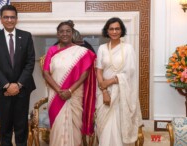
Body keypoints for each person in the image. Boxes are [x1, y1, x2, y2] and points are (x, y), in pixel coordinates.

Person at [0, 5, 36, 146]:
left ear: (17, 19)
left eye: (12, 17)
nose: (9, 20)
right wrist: (7, 85)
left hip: (23, 88)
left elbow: (30, 62)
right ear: (1, 19)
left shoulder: (26, 36)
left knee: (21, 126)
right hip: (2, 89)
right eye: (6, 17)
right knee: (5, 126)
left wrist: (18, 85)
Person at [42, 20, 96, 146]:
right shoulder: (52, 50)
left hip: (75, 94)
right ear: (57, 34)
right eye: (61, 31)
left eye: (68, 31)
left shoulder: (82, 52)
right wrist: (59, 91)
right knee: (57, 127)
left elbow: (85, 73)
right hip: (56, 95)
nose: (64, 34)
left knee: (75, 127)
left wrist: (70, 91)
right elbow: (45, 73)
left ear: (72, 33)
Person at [95, 17, 142, 146]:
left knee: (119, 126)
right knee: (104, 127)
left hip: (122, 93)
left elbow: (130, 72)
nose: (114, 31)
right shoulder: (102, 48)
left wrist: (110, 81)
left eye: (117, 28)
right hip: (103, 91)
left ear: (121, 31)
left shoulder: (128, 48)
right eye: (111, 29)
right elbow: (98, 71)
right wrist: (104, 90)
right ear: (107, 31)